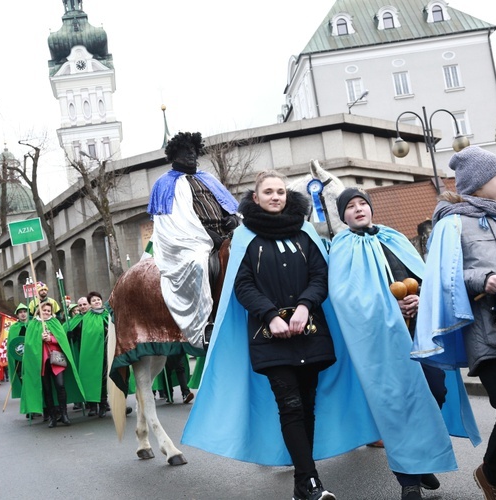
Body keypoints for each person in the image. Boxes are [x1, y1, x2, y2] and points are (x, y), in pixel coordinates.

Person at [185, 171, 379, 500]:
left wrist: (305, 306)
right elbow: (242, 284)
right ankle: (311, 481)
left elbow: (320, 274)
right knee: (290, 405)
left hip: (310, 331)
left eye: (280, 192)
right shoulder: (245, 237)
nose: (276, 197)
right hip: (269, 336)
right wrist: (270, 315)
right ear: (256, 198)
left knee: (307, 405)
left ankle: (303, 485)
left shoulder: (305, 233)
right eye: (268, 192)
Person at [330, 187, 479, 500]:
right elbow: (346, 299)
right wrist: (390, 306)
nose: (358, 209)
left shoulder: (393, 238)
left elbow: (424, 278)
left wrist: (419, 298)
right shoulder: (343, 248)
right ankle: (409, 479)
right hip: (380, 343)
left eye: (362, 204)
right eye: (351, 206)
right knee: (396, 406)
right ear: (342, 215)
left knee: (435, 390)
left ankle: (420, 460)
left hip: (418, 334)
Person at [413, 146, 496, 498]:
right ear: (479, 181)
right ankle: (492, 473)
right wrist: (482, 279)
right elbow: (443, 274)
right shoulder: (451, 222)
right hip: (487, 332)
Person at [147, 131, 240, 348]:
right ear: (174, 155)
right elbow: (172, 224)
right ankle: (206, 322)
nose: (190, 156)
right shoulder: (164, 184)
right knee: (199, 264)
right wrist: (207, 235)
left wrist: (233, 218)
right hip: (188, 242)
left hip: (226, 235)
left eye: (193, 151)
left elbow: (229, 206)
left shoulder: (209, 179)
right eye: (184, 152)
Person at [20, 302, 84, 427]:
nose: (46, 313)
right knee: (47, 389)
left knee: (60, 386)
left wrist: (51, 339)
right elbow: (29, 344)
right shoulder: (33, 324)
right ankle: (53, 416)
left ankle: (64, 414)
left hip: (56, 360)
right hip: (42, 362)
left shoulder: (55, 323)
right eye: (44, 310)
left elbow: (62, 339)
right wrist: (40, 338)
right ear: (39, 311)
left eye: (49, 311)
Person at [65, 291, 110, 417]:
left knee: (108, 378)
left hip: (107, 351)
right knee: (92, 378)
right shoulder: (84, 319)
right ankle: (94, 406)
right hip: (88, 353)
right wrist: (71, 335)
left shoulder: (107, 315)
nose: (83, 306)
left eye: (98, 300)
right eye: (81, 305)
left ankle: (107, 404)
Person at [7, 303, 30, 401]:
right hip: (20, 360)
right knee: (23, 382)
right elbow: (11, 345)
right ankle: (28, 407)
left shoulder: (32, 325)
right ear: (17, 315)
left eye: (25, 312)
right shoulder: (14, 328)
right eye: (20, 312)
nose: (23, 314)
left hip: (31, 358)